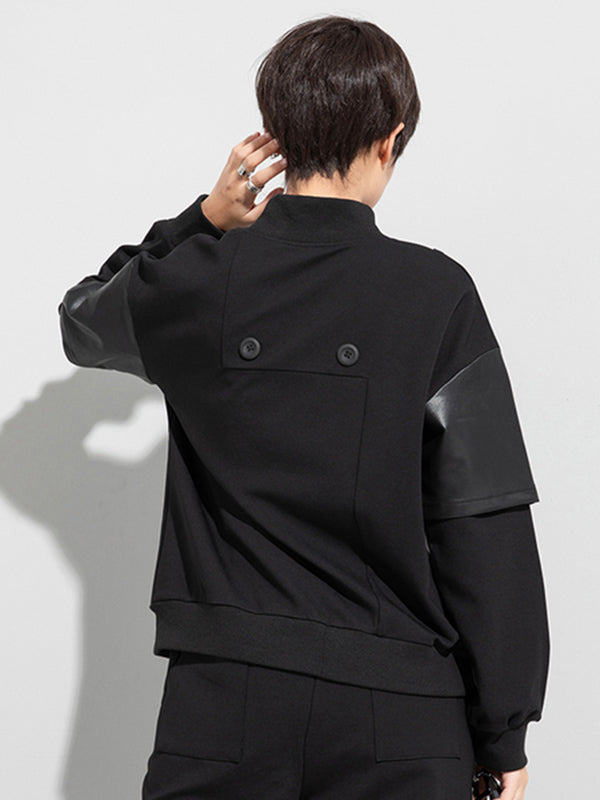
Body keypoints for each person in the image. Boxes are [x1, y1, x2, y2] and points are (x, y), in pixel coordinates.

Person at [57, 14, 550, 800]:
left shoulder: (200, 280)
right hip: (403, 719)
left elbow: (83, 321)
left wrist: (202, 221)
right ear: (390, 140)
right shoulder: (437, 295)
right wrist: (504, 733)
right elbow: (483, 525)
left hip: (222, 708)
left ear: (275, 135)